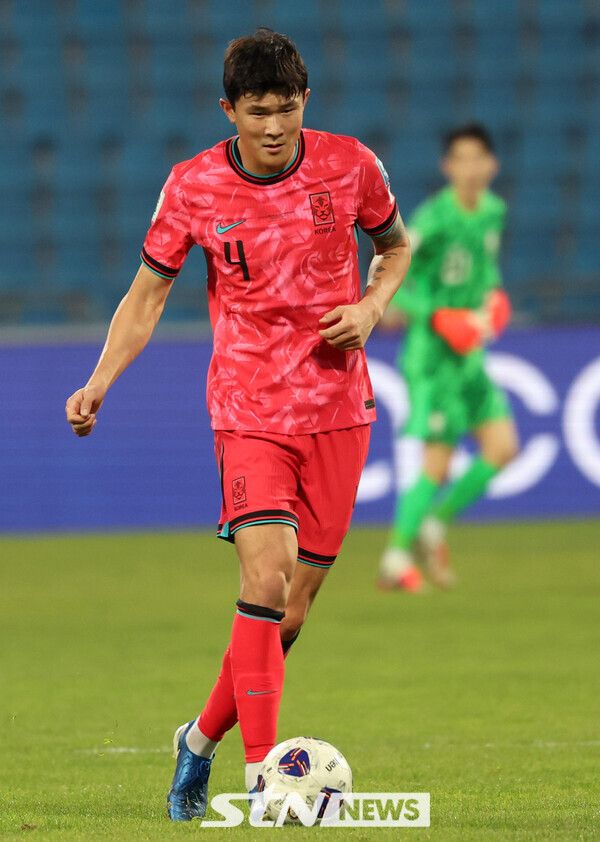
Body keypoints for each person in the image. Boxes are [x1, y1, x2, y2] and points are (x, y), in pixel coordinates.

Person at [65, 29, 410, 821]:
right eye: (258, 112)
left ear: (305, 103)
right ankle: (266, 779)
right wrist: (100, 380)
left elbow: (395, 249)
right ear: (230, 110)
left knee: (288, 612)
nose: (274, 126)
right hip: (249, 407)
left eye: (287, 109)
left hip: (337, 409)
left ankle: (196, 740)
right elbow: (147, 294)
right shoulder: (191, 187)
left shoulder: (351, 165)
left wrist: (370, 305)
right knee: (263, 578)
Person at [378, 124, 518, 593]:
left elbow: (486, 269)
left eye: (478, 157)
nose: (471, 167)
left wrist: (495, 299)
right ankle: (396, 559)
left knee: (502, 447)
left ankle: (435, 525)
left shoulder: (493, 211)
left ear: (491, 165)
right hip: (434, 358)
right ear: (448, 167)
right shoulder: (434, 218)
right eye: (461, 158)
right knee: (436, 462)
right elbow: (389, 272)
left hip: (469, 353)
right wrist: (435, 316)